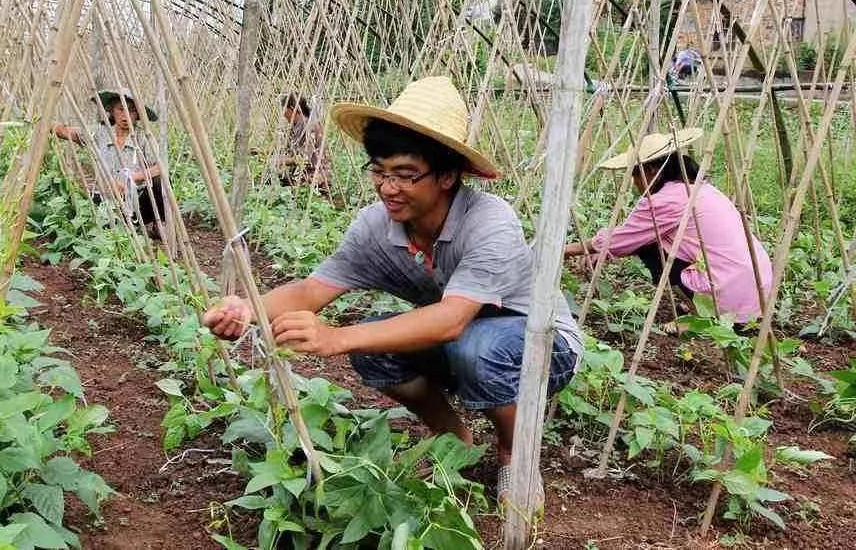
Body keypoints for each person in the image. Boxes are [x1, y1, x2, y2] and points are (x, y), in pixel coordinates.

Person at [204, 76, 582, 509]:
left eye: (404, 175)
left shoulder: (489, 222)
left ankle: (515, 453)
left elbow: (451, 320)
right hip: (463, 343)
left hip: (541, 347)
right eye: (379, 172)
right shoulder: (376, 226)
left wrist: (336, 337)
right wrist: (247, 309)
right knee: (377, 349)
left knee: (477, 347)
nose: (387, 187)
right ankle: (453, 441)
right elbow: (312, 289)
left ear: (447, 175)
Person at [564, 128, 772, 332]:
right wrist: (607, 247)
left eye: (635, 175)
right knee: (648, 240)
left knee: (648, 246)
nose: (635, 183)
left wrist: (565, 250)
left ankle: (701, 316)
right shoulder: (699, 188)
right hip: (755, 286)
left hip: (728, 291)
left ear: (652, 171)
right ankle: (707, 306)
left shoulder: (665, 200)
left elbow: (621, 239)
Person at [52, 90, 166, 240]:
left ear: (138, 114)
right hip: (105, 202)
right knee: (94, 218)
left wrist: (132, 179)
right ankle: (113, 225)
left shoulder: (143, 138)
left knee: (160, 182)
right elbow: (69, 132)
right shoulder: (100, 134)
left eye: (132, 111)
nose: (126, 115)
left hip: (136, 203)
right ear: (111, 110)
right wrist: (50, 125)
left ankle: (159, 224)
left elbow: (160, 167)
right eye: (121, 109)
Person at [277, 94, 330, 192]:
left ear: (292, 109)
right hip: (301, 173)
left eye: (284, 109)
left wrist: (282, 161)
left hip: (316, 176)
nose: (283, 114)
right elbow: (288, 151)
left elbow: (304, 159)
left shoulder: (311, 127)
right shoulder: (294, 127)